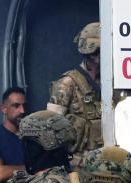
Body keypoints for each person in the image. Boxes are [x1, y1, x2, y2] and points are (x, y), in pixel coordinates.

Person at [47, 22, 122, 167]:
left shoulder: (110, 83)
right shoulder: (67, 83)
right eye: (98, 51)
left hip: (108, 161)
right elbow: (50, 128)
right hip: (77, 163)